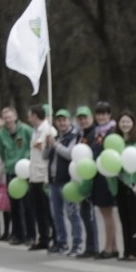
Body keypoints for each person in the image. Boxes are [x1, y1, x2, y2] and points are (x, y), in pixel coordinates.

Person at [0, 106, 34, 245]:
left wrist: (28, 160)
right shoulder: (1, 134)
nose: (8, 120)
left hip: (25, 171)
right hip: (11, 172)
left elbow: (33, 146)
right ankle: (18, 235)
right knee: (15, 206)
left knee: (27, 205)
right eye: (5, 118)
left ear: (15, 117)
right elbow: (1, 151)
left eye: (10, 117)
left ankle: (31, 235)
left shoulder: (25, 130)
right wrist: (8, 164)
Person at [114, 110, 136, 261]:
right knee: (124, 217)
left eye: (128, 121)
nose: (125, 124)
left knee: (135, 217)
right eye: (122, 121)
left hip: (135, 184)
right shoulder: (117, 139)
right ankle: (127, 250)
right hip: (121, 182)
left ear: (133, 123)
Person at [49, 109, 83, 255]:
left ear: (69, 121)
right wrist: (48, 144)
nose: (61, 123)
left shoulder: (73, 136)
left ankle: (77, 243)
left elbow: (70, 154)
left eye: (64, 120)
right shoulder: (55, 136)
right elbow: (46, 156)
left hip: (68, 181)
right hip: (54, 180)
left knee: (72, 213)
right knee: (57, 214)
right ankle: (61, 242)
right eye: (59, 120)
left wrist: (56, 145)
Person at [91, 101, 120, 259]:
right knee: (104, 212)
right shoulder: (98, 132)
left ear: (109, 115)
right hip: (98, 175)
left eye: (104, 113)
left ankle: (108, 247)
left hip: (107, 176)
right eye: (99, 113)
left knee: (107, 212)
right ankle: (113, 246)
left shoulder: (112, 132)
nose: (101, 116)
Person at [26, 104, 55, 251]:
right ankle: (43, 238)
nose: (28, 118)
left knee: (48, 210)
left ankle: (55, 237)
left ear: (36, 115)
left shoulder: (48, 130)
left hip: (44, 176)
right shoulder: (35, 131)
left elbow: (47, 153)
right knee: (38, 210)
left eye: (30, 115)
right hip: (34, 175)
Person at [74, 106, 100, 258]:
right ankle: (89, 246)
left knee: (89, 214)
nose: (83, 121)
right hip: (81, 177)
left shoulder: (94, 134)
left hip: (90, 177)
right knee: (84, 213)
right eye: (80, 118)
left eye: (85, 118)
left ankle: (93, 247)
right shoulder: (80, 134)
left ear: (91, 118)